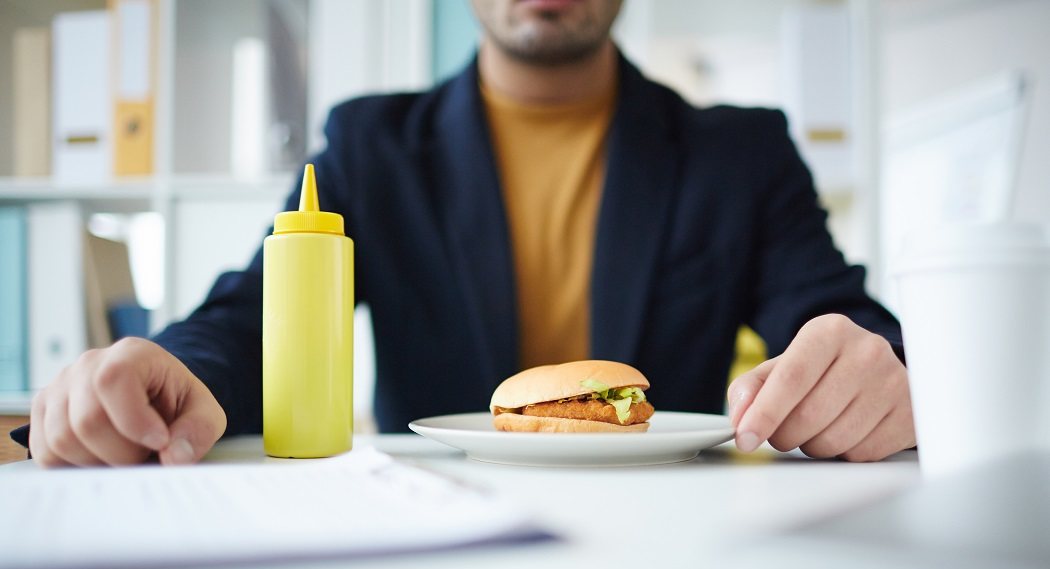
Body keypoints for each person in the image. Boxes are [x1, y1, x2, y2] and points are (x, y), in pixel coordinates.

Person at [24, 0, 915, 468]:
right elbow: (253, 322)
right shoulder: (373, 145)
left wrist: (884, 368)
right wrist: (168, 368)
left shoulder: (741, 152)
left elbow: (847, 326)